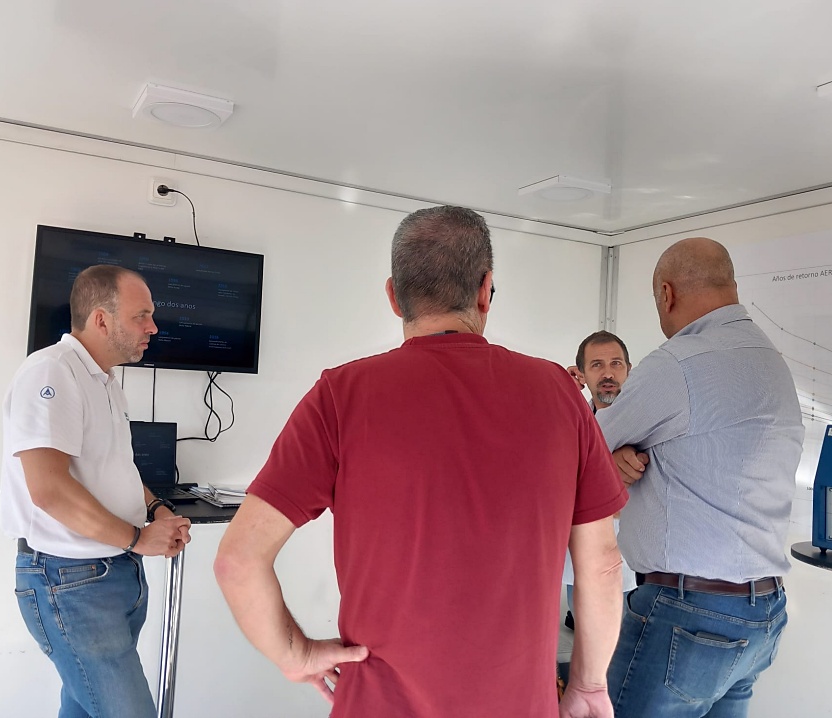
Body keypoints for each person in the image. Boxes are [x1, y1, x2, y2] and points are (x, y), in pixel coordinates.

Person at [214, 205, 627, 718]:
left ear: (394, 296)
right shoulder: (559, 393)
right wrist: (587, 684)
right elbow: (602, 563)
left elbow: (237, 561)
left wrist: (295, 655)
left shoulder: (341, 395)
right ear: (485, 290)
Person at [596, 238, 803, 718]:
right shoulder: (771, 360)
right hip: (763, 613)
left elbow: (581, 448)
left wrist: (609, 456)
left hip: (686, 614)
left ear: (666, 294)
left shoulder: (679, 362)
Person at [0, 264, 193, 718]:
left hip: (110, 574)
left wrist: (157, 508)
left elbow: (115, 469)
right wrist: (137, 538)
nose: (153, 327)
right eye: (141, 316)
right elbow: (49, 489)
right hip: (71, 581)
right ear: (101, 319)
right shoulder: (51, 372)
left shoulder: (105, 382)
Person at [562, 331, 637, 631]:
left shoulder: (649, 420)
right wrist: (565, 393)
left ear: (629, 370)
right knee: (585, 628)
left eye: (616, 364)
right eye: (596, 365)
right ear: (581, 374)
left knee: (621, 639)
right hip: (579, 557)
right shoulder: (571, 417)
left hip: (629, 560)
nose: (608, 373)